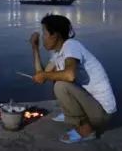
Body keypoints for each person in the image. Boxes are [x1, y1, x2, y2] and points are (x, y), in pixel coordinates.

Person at [29, 14, 116, 144]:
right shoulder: (58, 53)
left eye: (44, 33)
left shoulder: (71, 46)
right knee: (57, 78)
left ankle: (86, 130)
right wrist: (35, 49)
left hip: (102, 113)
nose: (43, 37)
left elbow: (70, 75)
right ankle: (72, 113)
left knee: (61, 84)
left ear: (55, 35)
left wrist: (45, 75)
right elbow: (41, 75)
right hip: (91, 106)